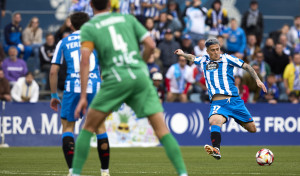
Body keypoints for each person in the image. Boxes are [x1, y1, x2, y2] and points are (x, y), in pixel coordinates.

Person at [73, 1, 188, 176]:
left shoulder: (89, 27)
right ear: (110, 3)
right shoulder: (127, 18)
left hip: (115, 78)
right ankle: (182, 173)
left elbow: (85, 61)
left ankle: (75, 173)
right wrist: (141, 62)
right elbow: (150, 44)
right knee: (162, 130)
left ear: (90, 4)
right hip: (140, 76)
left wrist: (83, 96)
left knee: (88, 128)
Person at [174, 38, 266, 160]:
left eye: (218, 49)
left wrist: (257, 80)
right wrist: (182, 54)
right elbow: (192, 57)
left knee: (252, 129)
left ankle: (237, 119)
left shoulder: (227, 58)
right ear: (207, 51)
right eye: (213, 50)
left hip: (235, 101)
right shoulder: (204, 60)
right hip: (218, 103)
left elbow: (246, 66)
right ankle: (216, 149)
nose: (216, 52)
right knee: (214, 121)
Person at [49, 12, 110, 176]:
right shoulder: (96, 40)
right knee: (100, 127)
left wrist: (54, 95)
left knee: (68, 127)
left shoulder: (63, 42)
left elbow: (54, 71)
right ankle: (105, 172)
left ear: (71, 25)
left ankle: (72, 171)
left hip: (72, 88)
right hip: (94, 88)